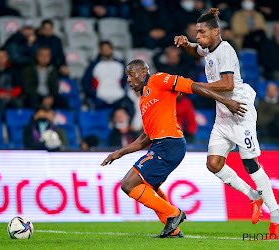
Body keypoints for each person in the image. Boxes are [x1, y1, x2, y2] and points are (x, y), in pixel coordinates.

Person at [101, 59, 246, 238]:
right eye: (127, 76)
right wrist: (119, 153)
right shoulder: (143, 99)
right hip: (161, 145)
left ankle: (174, 213)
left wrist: (225, 100)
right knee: (148, 187)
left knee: (128, 184)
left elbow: (192, 86)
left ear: (144, 72)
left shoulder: (159, 80)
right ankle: (172, 229)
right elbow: (145, 139)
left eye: (131, 75)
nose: (129, 80)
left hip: (169, 144)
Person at [174, 8, 279, 239]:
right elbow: (196, 51)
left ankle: (276, 218)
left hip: (239, 112)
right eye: (196, 32)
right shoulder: (208, 47)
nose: (198, 35)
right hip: (222, 114)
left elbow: (228, 84)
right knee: (213, 163)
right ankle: (253, 196)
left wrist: (192, 86)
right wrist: (186, 44)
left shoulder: (225, 50)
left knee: (250, 163)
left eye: (201, 32)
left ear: (215, 32)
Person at [82, 41, 129, 110]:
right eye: (104, 49)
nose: (106, 51)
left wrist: (121, 91)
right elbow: (86, 81)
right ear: (100, 51)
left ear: (112, 50)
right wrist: (94, 94)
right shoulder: (94, 65)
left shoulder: (120, 65)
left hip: (118, 98)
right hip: (99, 99)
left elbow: (126, 80)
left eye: (108, 48)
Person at [0, 48, 22, 119]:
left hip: (11, 95)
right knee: (0, 103)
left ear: (7, 57)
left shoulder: (14, 70)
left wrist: (10, 95)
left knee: (18, 102)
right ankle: (0, 125)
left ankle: (16, 125)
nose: (1, 59)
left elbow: (19, 87)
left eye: (3, 56)